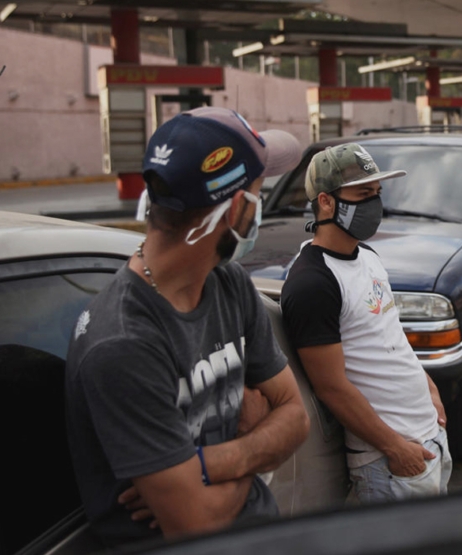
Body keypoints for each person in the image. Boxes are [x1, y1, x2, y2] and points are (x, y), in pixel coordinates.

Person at [65, 107, 310, 546]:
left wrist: (205, 463)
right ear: (237, 207)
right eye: (259, 192)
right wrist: (255, 438)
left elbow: (297, 419)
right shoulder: (122, 343)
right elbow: (195, 524)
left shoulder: (228, 282)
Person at [280, 143, 451, 504]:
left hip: (428, 438)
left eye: (377, 193)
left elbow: (387, 336)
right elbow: (331, 387)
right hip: (390, 461)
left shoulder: (368, 257)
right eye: (363, 194)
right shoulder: (312, 283)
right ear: (326, 202)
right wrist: (394, 448)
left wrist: (429, 387)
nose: (374, 204)